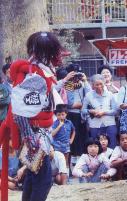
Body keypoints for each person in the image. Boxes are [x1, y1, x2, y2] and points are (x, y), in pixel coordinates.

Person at [0, 31, 68, 201]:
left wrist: (61, 83)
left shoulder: (37, 71)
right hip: (34, 133)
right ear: (48, 52)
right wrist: (29, 138)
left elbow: (42, 99)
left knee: (33, 176)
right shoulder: (35, 74)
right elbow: (20, 110)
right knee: (43, 180)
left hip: (34, 132)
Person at [82, 74, 118, 149]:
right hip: (94, 125)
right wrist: (91, 111)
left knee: (112, 144)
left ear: (104, 83)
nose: (99, 86)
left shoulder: (110, 94)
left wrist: (104, 112)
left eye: (101, 84)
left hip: (110, 124)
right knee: (96, 145)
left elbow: (115, 111)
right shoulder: (88, 95)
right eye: (96, 85)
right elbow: (83, 110)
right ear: (92, 85)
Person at [51, 104, 75, 169]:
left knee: (66, 160)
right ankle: (58, 174)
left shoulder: (69, 122)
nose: (61, 116)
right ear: (56, 115)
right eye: (58, 115)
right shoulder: (55, 123)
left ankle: (66, 175)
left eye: (62, 114)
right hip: (57, 145)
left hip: (66, 144)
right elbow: (52, 134)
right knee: (58, 160)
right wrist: (59, 126)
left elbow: (74, 131)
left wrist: (71, 139)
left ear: (66, 114)